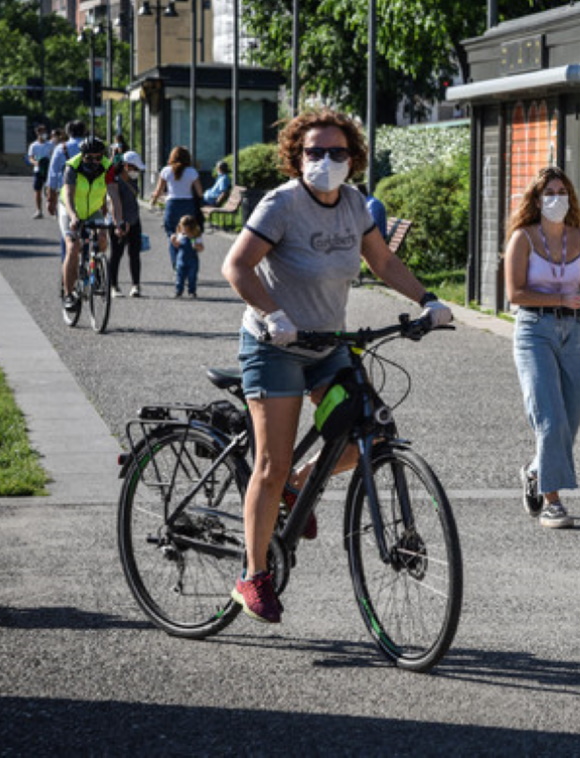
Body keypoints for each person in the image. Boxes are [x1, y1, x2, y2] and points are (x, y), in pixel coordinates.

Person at [220, 108, 453, 624]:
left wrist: (427, 299)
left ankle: (301, 483)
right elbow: (235, 265)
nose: (325, 160)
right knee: (269, 463)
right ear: (296, 157)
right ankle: (253, 575)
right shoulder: (281, 204)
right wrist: (272, 313)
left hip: (328, 344)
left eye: (337, 152)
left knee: (366, 431)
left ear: (354, 158)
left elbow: (383, 262)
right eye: (314, 152)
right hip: (275, 343)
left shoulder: (354, 205)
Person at [503, 166, 580, 530]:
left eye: (562, 192)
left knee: (572, 414)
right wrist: (561, 296)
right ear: (537, 200)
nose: (556, 199)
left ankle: (534, 471)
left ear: (571, 198)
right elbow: (514, 294)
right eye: (549, 194)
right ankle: (552, 502)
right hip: (534, 329)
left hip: (574, 331)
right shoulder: (523, 239)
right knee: (549, 415)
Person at [58, 137, 127, 310]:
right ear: (82, 156)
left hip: (92, 209)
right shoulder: (72, 166)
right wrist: (73, 217)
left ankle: (95, 268)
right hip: (69, 208)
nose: (94, 161)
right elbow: (68, 195)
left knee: (103, 238)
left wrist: (118, 222)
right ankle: (68, 294)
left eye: (98, 157)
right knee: (73, 248)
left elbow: (114, 196)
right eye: (89, 158)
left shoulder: (107, 167)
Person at [149, 146, 204, 267]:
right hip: (188, 205)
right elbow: (199, 192)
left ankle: (176, 265)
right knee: (190, 233)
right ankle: (188, 261)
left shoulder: (166, 171)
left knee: (173, 236)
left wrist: (153, 200)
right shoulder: (192, 172)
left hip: (172, 206)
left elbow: (158, 191)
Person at [109, 150, 147, 298]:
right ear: (126, 166)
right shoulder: (115, 181)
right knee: (116, 254)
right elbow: (113, 203)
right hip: (119, 222)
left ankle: (136, 285)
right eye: (134, 168)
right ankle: (114, 286)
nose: (136, 172)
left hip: (134, 221)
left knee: (134, 254)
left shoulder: (133, 181)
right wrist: (119, 222)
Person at [170, 214, 205, 298]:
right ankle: (179, 290)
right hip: (181, 259)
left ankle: (192, 291)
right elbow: (177, 245)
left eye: (185, 228)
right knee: (179, 276)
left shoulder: (196, 237)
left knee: (192, 276)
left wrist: (196, 246)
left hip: (192, 260)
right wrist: (173, 241)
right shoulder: (181, 236)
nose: (183, 230)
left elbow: (201, 248)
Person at [26, 126, 54, 219]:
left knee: (50, 191)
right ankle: (39, 211)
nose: (44, 134)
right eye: (41, 132)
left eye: (44, 132)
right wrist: (36, 162)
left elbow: (53, 155)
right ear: (37, 133)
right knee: (37, 191)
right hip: (38, 170)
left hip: (48, 170)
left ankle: (53, 210)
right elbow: (30, 157)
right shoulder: (33, 145)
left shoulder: (50, 144)